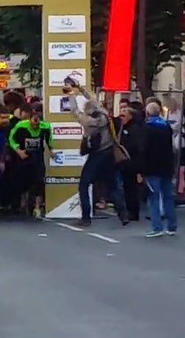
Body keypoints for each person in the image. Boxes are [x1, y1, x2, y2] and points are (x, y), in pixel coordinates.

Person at [69, 80, 126, 226]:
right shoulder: (105, 116)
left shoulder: (88, 121)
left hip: (96, 155)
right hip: (109, 153)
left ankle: (86, 217)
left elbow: (75, 112)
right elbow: (94, 99)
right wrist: (81, 89)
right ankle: (123, 214)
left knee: (83, 185)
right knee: (112, 185)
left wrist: (71, 95)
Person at [140, 102, 178, 238]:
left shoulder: (147, 128)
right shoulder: (166, 126)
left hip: (152, 167)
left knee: (154, 197)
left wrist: (141, 169)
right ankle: (172, 226)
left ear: (147, 113)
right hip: (166, 166)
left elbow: (144, 150)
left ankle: (157, 227)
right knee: (168, 196)